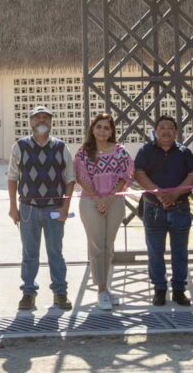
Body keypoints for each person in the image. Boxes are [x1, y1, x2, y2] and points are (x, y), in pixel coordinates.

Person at [7, 105, 76, 312]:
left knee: (56, 252)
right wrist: (13, 207)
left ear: (51, 121)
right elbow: (12, 177)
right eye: (37, 117)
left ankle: (60, 292)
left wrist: (65, 207)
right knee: (29, 253)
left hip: (55, 208)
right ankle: (28, 293)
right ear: (30, 122)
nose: (41, 121)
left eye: (45, 117)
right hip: (28, 209)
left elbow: (70, 179)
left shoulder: (61, 147)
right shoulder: (20, 146)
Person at [134, 115, 193, 307]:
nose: (166, 131)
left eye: (170, 127)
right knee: (155, 252)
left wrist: (175, 194)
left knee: (180, 252)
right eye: (162, 127)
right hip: (153, 209)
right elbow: (139, 173)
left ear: (176, 132)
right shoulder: (145, 150)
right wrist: (159, 193)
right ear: (155, 131)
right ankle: (159, 289)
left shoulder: (184, 152)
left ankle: (179, 290)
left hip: (180, 208)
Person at [73, 112, 133, 311]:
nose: (102, 131)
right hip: (91, 202)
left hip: (114, 201)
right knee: (97, 245)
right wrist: (98, 199)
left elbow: (125, 175)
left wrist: (109, 197)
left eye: (106, 128)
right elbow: (81, 178)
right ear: (92, 129)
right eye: (99, 126)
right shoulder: (83, 153)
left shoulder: (120, 151)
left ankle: (106, 286)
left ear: (111, 131)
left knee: (108, 245)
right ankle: (100, 290)